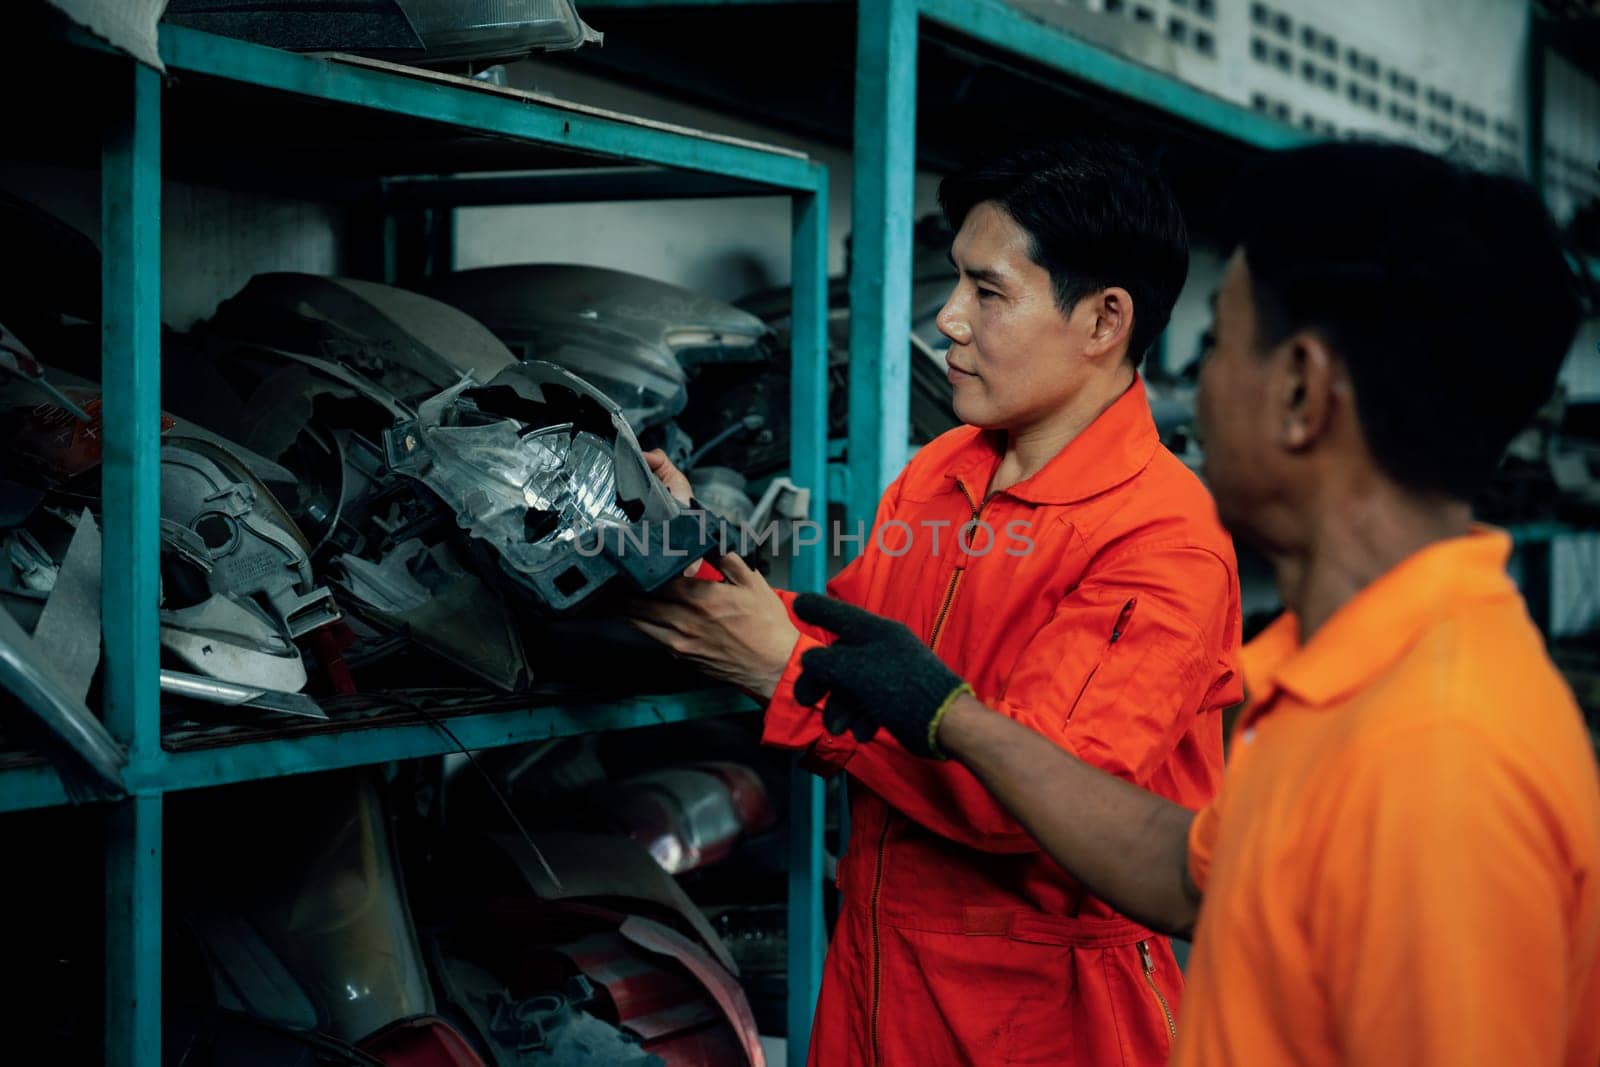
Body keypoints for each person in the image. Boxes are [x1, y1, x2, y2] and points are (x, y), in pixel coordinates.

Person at [788, 141, 1600, 1066]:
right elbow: (1187, 871)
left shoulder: (1440, 756)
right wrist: (953, 717)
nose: (1193, 386)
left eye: (1217, 341)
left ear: (1299, 392)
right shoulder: (1352, 678)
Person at [625, 139, 1241, 1064]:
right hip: (880, 978)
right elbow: (847, 646)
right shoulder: (947, 469)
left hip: (1046, 1018)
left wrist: (780, 671)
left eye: (988, 292)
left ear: (1105, 320)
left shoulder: (1161, 540)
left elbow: (1039, 795)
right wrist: (685, 554)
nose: (948, 319)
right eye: (956, 283)